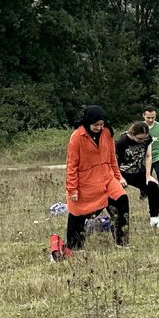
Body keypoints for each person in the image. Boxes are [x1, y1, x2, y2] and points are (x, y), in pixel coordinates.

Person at [64, 106, 129, 249]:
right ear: (88, 121)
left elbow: (112, 158)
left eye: (101, 124)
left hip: (107, 177)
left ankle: (121, 241)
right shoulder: (77, 136)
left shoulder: (107, 132)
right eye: (95, 125)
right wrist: (72, 189)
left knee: (122, 200)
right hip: (85, 181)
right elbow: (71, 166)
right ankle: (75, 247)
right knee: (78, 214)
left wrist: (118, 178)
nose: (99, 128)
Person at [115, 121, 159, 230]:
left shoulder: (147, 139)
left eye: (144, 139)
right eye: (139, 139)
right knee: (111, 196)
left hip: (138, 171)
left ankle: (154, 219)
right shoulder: (121, 142)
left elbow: (148, 156)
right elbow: (113, 161)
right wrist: (120, 177)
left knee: (153, 186)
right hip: (121, 172)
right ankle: (90, 217)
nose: (142, 141)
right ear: (132, 134)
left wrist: (148, 175)